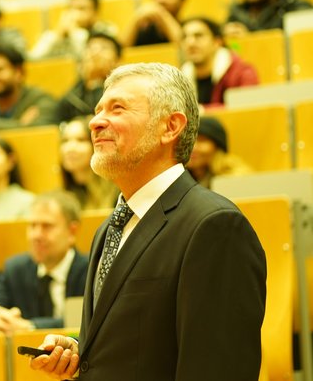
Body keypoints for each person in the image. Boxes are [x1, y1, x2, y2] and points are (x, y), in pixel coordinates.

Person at [29, 62, 266, 380]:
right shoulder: (109, 227)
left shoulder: (215, 226)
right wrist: (80, 352)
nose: (96, 122)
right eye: (98, 110)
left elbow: (217, 367)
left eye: (117, 109)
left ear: (170, 127)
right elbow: (139, 345)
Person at [0, 190, 88, 334]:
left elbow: (83, 321)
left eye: (47, 226)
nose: (36, 235)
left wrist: (30, 327)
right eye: (32, 226)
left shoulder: (91, 269)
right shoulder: (15, 270)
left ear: (72, 231)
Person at [180, 17, 259, 107]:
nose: (190, 43)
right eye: (184, 37)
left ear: (216, 42)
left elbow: (247, 110)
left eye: (198, 36)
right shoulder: (179, 80)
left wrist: (202, 111)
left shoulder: (243, 73)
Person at [30, 0, 118, 61]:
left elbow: (84, 60)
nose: (75, 14)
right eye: (71, 8)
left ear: (95, 13)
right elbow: (33, 60)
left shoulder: (105, 31)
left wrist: (75, 32)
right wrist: (57, 35)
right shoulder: (57, 35)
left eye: (81, 9)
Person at [56, 31, 122, 122]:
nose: (95, 53)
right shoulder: (70, 98)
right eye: (90, 48)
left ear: (117, 61)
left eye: (104, 48)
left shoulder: (123, 93)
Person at [60, 116, 120, 210]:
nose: (70, 148)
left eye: (81, 140)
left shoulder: (117, 193)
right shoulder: (63, 194)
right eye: (65, 141)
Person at [121, 0, 188, 47]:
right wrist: (136, 19)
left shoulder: (190, 27)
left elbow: (184, 47)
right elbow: (119, 52)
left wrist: (162, 15)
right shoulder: (143, 30)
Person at [186, 116, 252, 189]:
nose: (193, 147)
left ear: (218, 147)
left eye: (202, 140)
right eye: (189, 141)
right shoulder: (182, 180)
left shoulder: (236, 178)